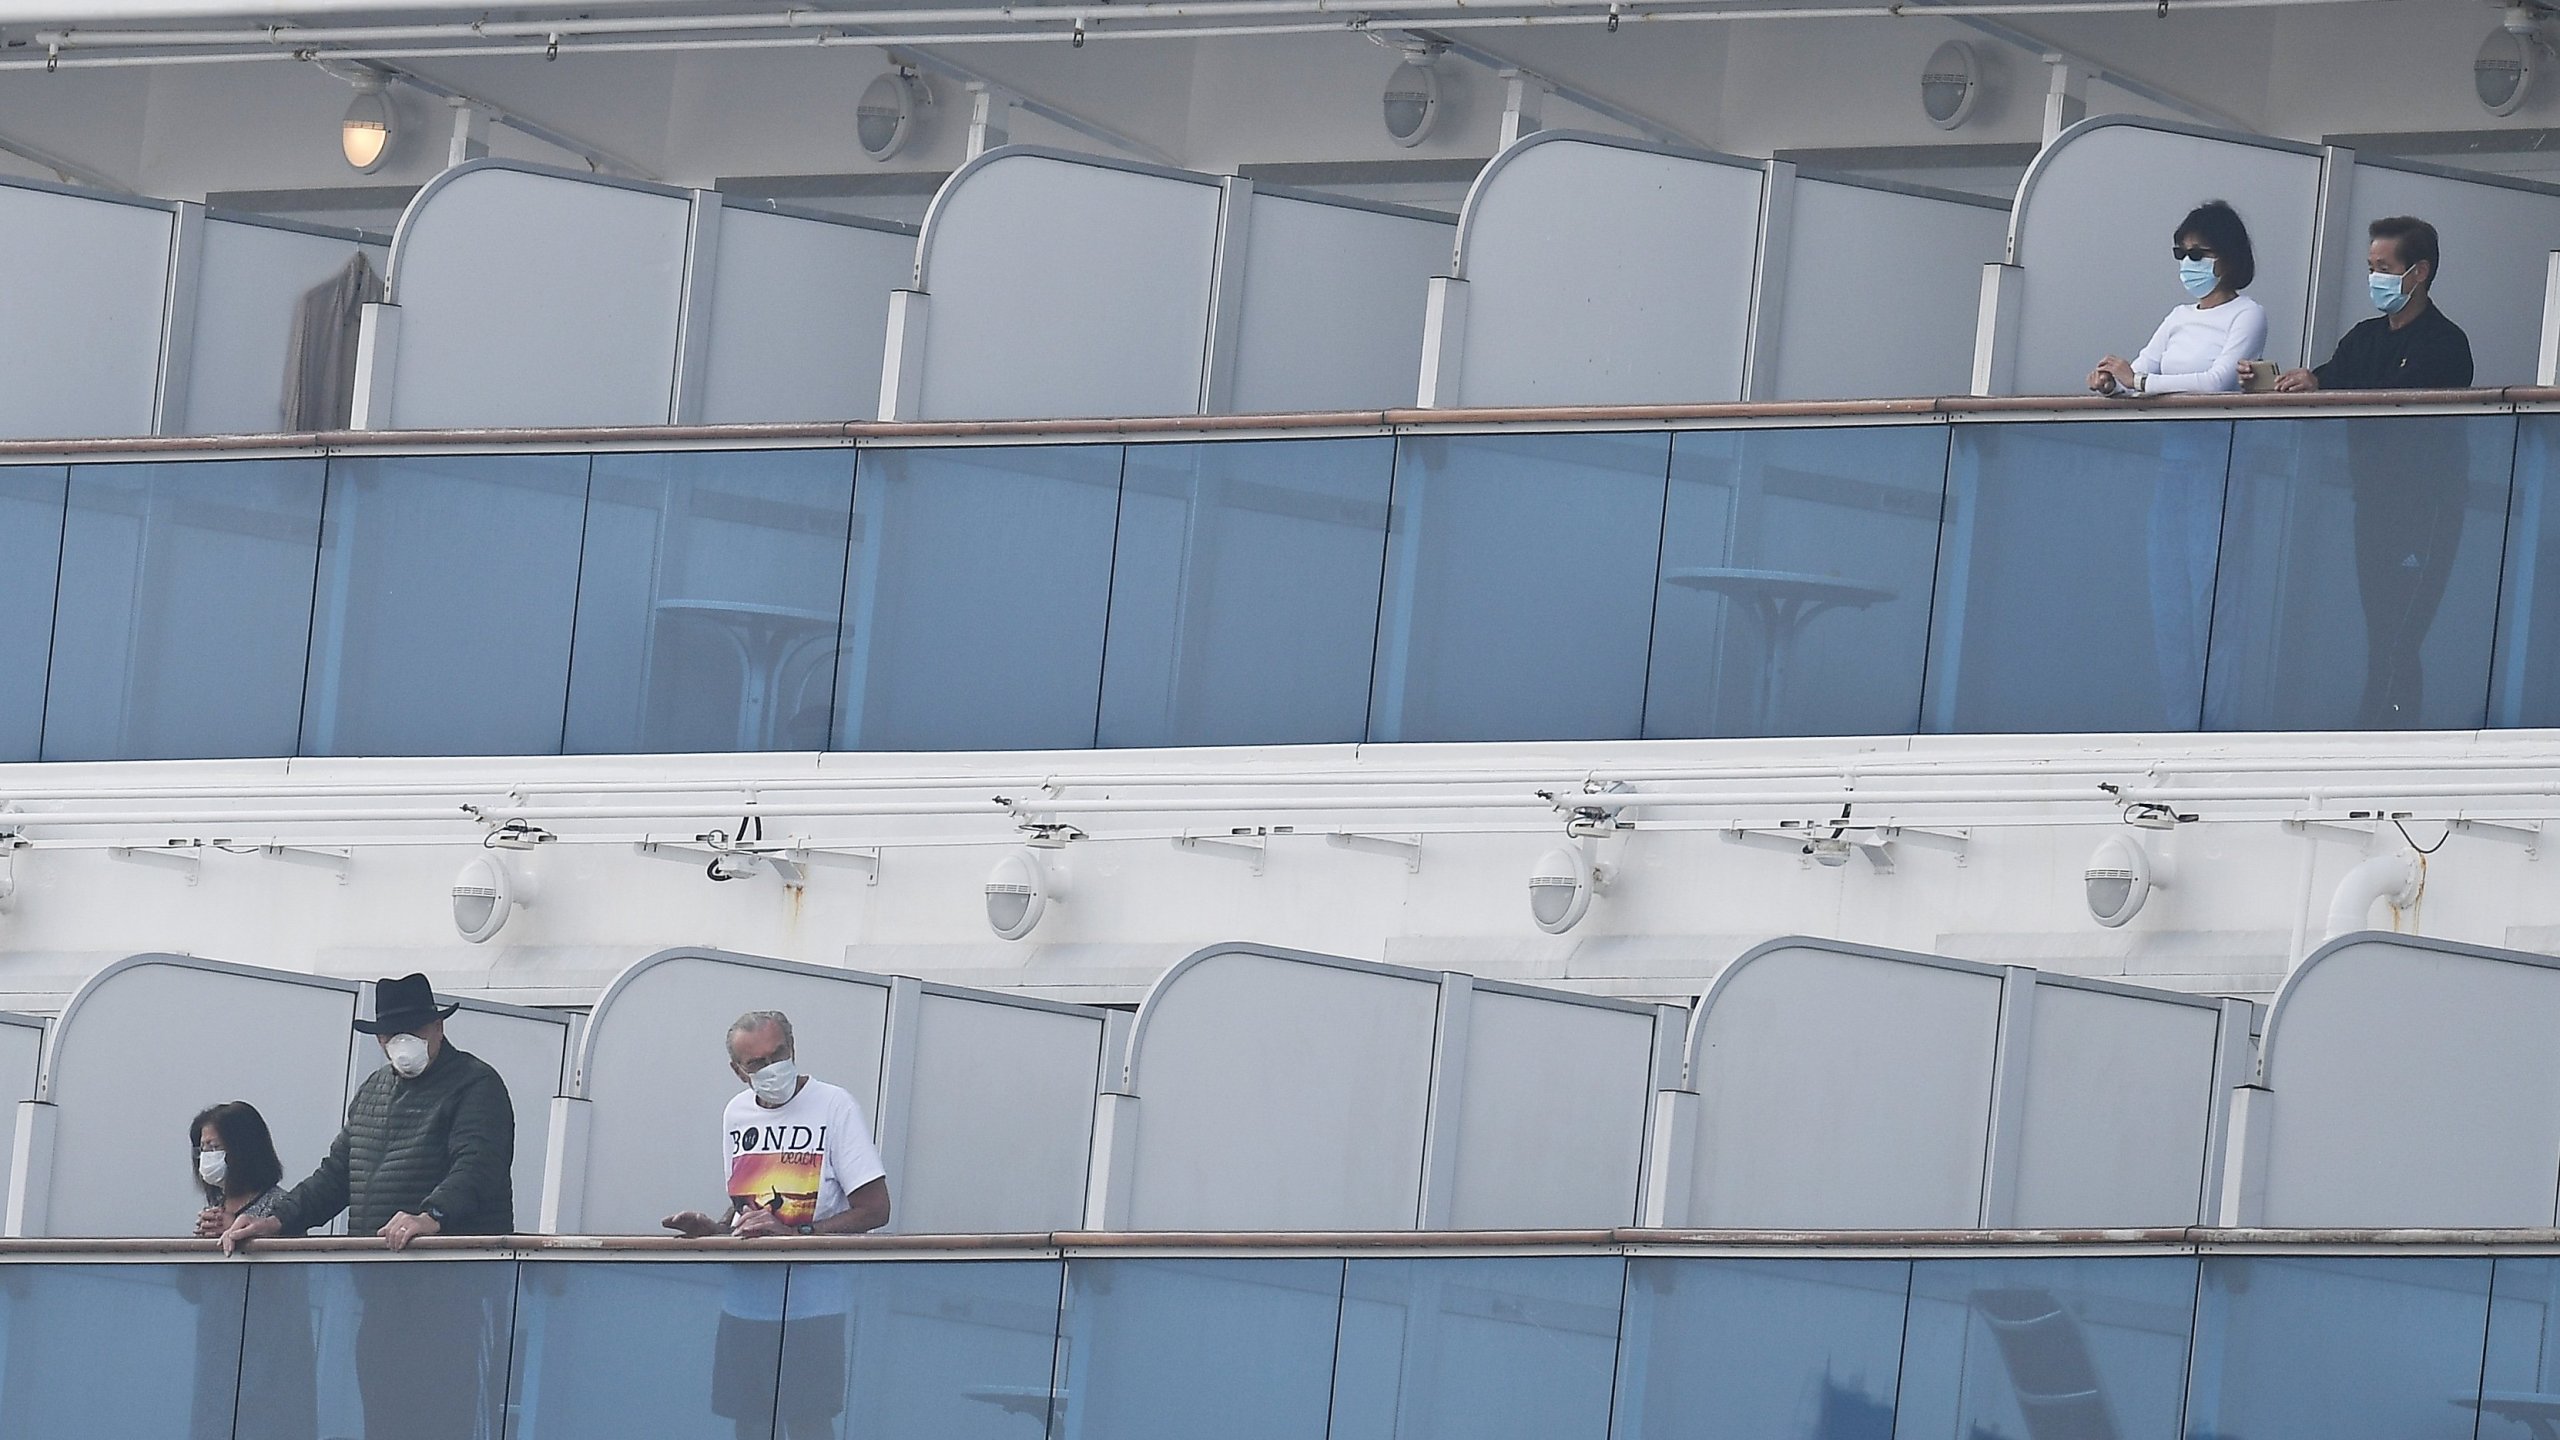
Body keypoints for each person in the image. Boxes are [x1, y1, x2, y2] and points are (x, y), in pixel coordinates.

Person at [220, 974, 516, 1440]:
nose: (403, 1044)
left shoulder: (476, 1084)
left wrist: (430, 1216)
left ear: (438, 1027)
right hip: (381, 1294)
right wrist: (274, 1220)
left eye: (414, 1032)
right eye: (392, 1036)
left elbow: (478, 1167)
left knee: (448, 1420)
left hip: (457, 1295)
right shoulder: (373, 1090)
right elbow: (337, 1174)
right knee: (384, 1420)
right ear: (379, 1039)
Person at [2247, 216, 2477, 726]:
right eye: (2370, 267)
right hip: (2371, 505)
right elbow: (2331, 379)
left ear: (2419, 272)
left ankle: (2395, 734)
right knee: (2378, 626)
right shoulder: (2364, 337)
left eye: (2385, 268)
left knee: (2402, 631)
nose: (2374, 277)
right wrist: (2302, 381)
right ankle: (2375, 729)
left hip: (2426, 512)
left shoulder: (2445, 342)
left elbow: (2406, 416)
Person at [663, 1010, 890, 1440]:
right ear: (738, 1071)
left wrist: (798, 1237)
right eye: (756, 1064)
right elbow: (749, 1205)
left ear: (793, 1048)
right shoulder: (735, 1113)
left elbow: (876, 1208)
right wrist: (713, 1229)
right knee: (748, 1425)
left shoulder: (833, 1104)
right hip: (746, 1303)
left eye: (778, 1054)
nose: (772, 1070)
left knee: (807, 1423)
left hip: (813, 1306)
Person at [2089, 199, 2269, 399]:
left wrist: (2140, 381)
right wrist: (2111, 383)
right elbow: (2136, 375)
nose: (2186, 262)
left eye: (2196, 254)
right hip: (2168, 426)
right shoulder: (2179, 315)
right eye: (2181, 253)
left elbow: (2217, 383)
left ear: (2228, 258)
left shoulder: (2247, 313)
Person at [189, 1100, 297, 1239]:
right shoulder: (215, 1207)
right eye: (203, 1149)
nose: (206, 1157)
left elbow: (294, 1255)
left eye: (214, 1147)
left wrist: (237, 1231)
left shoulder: (283, 1207)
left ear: (244, 1151)